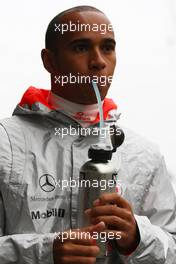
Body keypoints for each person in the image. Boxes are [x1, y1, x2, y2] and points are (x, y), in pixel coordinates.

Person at [0, 5, 176, 264]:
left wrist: (137, 237)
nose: (98, 61)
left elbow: (172, 246)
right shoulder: (6, 143)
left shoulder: (144, 154)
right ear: (49, 60)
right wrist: (45, 252)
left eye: (107, 47)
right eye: (81, 47)